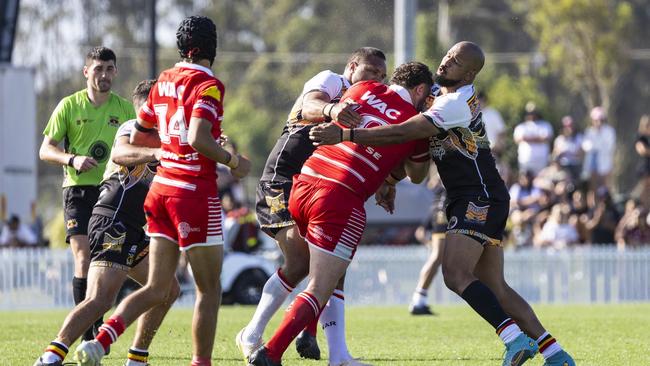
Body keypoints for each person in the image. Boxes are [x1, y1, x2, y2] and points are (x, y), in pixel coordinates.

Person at [310, 41, 576, 366]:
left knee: (455, 274)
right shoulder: (441, 93)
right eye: (448, 55)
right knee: (496, 288)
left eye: (456, 61)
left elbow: (403, 132)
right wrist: (390, 182)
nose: (447, 61)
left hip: (477, 197)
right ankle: (556, 354)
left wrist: (347, 137)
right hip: (478, 196)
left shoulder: (457, 104)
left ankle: (513, 338)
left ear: (470, 73)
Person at [74, 16, 251, 366]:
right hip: (192, 193)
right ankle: (201, 362)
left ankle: (105, 337)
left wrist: (169, 148)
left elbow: (140, 136)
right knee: (209, 289)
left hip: (160, 192)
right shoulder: (209, 85)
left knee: (157, 288)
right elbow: (199, 138)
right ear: (210, 47)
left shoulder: (164, 82)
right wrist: (232, 160)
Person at [248, 61, 432, 366]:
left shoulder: (361, 88)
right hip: (339, 195)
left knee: (330, 276)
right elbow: (417, 174)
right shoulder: (415, 121)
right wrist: (428, 131)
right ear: (421, 89)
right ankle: (270, 352)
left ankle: (338, 355)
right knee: (320, 285)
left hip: (304, 184)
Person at [237, 47, 387, 365]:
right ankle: (252, 333)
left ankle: (337, 353)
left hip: (318, 188)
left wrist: (386, 183)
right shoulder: (332, 80)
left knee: (335, 267)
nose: (377, 79)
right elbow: (309, 104)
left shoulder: (366, 106)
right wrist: (333, 111)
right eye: (371, 72)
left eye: (382, 76)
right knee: (301, 261)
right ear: (352, 65)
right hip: (282, 181)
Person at [34, 80, 180, 366]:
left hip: (134, 228)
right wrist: (157, 154)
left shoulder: (167, 137)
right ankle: (51, 357)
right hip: (112, 219)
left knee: (168, 289)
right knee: (100, 300)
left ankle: (137, 358)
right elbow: (118, 154)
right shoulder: (131, 127)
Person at [39, 46, 135, 342]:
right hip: (78, 191)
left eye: (109, 69)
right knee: (83, 257)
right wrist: (72, 159)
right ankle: (86, 333)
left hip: (112, 190)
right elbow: (45, 150)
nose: (104, 75)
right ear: (86, 72)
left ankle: (95, 324)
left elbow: (137, 144)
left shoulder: (124, 109)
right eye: (98, 69)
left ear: (115, 71)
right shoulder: (68, 106)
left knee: (103, 259)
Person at [408, 164, 446, 315]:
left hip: (444, 206)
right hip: (444, 207)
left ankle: (420, 299)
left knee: (439, 257)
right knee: (437, 256)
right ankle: (418, 299)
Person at [513, 104, 554, 176]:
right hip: (525, 159)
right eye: (529, 113)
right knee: (525, 180)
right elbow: (518, 139)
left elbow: (547, 138)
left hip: (541, 159)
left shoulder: (545, 125)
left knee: (541, 180)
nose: (531, 115)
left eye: (533, 113)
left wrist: (528, 138)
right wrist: (538, 138)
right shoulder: (521, 127)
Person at [581, 106, 616, 189]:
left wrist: (596, 147)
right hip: (592, 162)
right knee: (593, 186)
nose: (598, 122)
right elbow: (586, 146)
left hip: (605, 162)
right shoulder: (589, 131)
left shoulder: (609, 131)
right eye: (596, 120)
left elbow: (610, 147)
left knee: (605, 186)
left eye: (601, 120)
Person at [552, 115, 583, 182]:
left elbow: (580, 154)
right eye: (567, 126)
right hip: (563, 166)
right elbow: (555, 155)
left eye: (570, 126)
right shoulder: (559, 139)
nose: (569, 128)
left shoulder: (579, 138)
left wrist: (568, 152)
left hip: (575, 166)